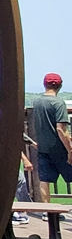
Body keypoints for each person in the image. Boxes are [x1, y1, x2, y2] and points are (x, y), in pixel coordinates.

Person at [32, 73, 72, 204]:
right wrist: (70, 150)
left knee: (44, 180)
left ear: (44, 85)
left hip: (43, 147)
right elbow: (61, 129)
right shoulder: (58, 103)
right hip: (60, 148)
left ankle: (47, 211)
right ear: (60, 86)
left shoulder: (37, 102)